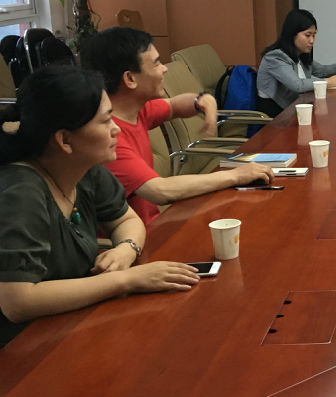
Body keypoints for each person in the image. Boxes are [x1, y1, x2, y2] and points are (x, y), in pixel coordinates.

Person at [0, 67, 200, 347]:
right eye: (106, 121)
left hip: (75, 322)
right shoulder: (20, 193)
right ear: (64, 140)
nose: (116, 128)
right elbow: (17, 302)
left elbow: (126, 220)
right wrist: (127, 280)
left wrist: (126, 249)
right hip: (26, 348)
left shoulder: (84, 168)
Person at [81, 27, 274, 225]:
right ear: (130, 79)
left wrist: (202, 100)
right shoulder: (110, 137)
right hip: (139, 237)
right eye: (156, 63)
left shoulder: (137, 110)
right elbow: (160, 190)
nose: (164, 69)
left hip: (156, 224)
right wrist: (235, 176)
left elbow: (174, 106)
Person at [257, 9, 336, 116]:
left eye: (314, 35)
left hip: (296, 110)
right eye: (307, 35)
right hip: (276, 116)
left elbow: (322, 71)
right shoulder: (275, 57)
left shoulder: (300, 55)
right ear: (292, 34)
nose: (312, 41)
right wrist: (329, 82)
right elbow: (297, 85)